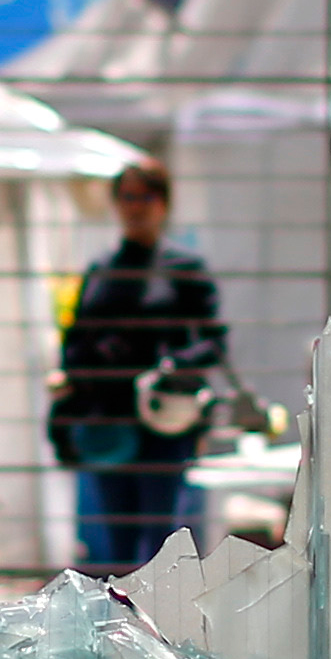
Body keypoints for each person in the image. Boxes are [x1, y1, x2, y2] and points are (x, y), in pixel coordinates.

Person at [50, 161, 226, 574]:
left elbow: (212, 344)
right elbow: (75, 342)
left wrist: (171, 368)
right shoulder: (102, 271)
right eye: (127, 197)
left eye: (145, 196)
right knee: (116, 542)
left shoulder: (185, 271)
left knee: (161, 540)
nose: (135, 208)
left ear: (163, 204)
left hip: (165, 426)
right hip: (110, 424)